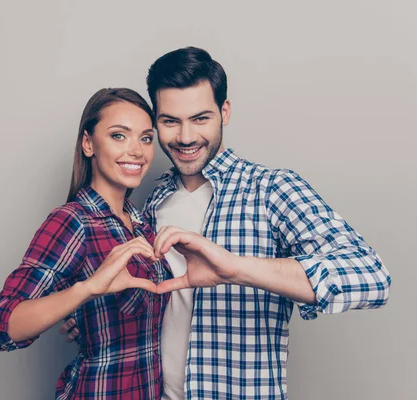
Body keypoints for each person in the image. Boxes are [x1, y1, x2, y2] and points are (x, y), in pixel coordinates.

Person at [60, 47, 391, 399]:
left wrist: (237, 269)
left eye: (200, 118)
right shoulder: (152, 200)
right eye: (170, 121)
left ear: (225, 112)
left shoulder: (270, 189)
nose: (186, 137)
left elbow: (372, 276)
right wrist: (86, 311)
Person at [0, 88, 173, 399]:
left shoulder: (142, 225)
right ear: (88, 144)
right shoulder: (74, 221)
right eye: (119, 136)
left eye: (146, 138)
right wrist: (86, 289)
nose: (137, 151)